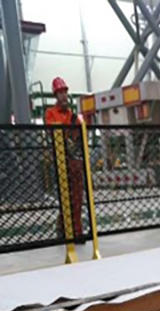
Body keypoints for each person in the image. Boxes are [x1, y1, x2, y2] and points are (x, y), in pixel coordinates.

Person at [44, 77, 85, 240]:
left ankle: (77, 231)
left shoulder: (72, 116)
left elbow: (78, 134)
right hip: (60, 160)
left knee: (78, 197)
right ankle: (64, 228)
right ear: (55, 95)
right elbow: (53, 132)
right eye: (60, 93)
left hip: (74, 161)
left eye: (65, 92)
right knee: (65, 197)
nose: (63, 96)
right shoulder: (50, 113)